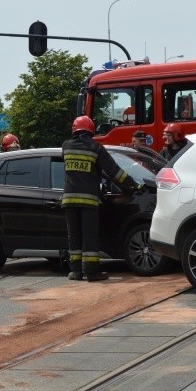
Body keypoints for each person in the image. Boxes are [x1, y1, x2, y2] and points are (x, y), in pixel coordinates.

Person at [62, 116, 142, 282]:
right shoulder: (96, 148)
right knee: (89, 236)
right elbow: (114, 172)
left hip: (69, 200)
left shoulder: (66, 146)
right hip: (88, 201)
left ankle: (76, 272)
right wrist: (133, 184)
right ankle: (91, 272)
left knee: (74, 236)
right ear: (91, 130)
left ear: (74, 129)